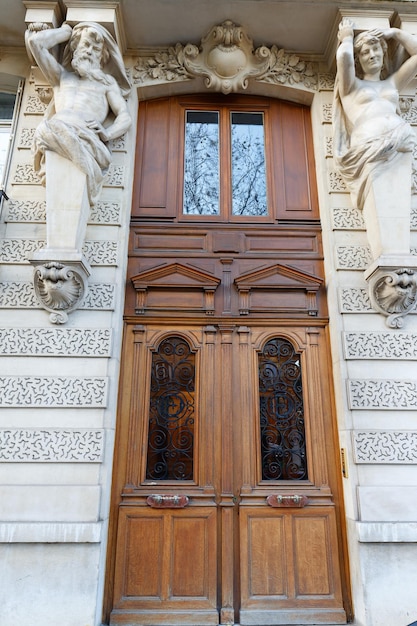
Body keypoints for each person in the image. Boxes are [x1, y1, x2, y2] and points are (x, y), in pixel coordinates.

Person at [25, 21, 131, 206]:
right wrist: (66, 31)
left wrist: (108, 133)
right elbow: (36, 43)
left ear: (102, 56)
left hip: (87, 139)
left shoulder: (107, 83)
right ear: (75, 47)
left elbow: (124, 115)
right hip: (53, 132)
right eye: (85, 45)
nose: (89, 51)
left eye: (96, 49)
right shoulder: (61, 76)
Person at [333, 18, 417, 210]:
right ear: (358, 60)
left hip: (401, 142)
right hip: (369, 146)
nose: (372, 55)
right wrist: (347, 38)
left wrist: (395, 33)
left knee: (396, 213)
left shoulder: (392, 83)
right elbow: (343, 60)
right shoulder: (351, 86)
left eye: (376, 49)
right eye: (365, 52)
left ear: (383, 51)